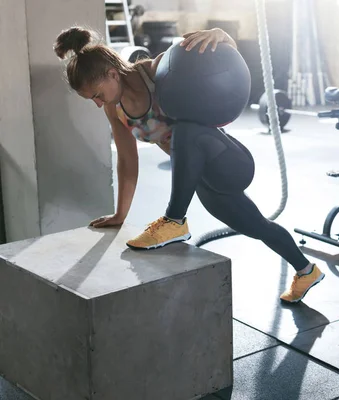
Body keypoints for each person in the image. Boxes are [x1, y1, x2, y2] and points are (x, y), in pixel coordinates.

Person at [53, 26, 324, 303]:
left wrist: (223, 37)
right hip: (202, 180)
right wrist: (120, 215)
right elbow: (127, 160)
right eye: (92, 100)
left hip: (229, 162)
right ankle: (306, 270)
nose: (98, 104)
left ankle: (174, 220)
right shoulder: (116, 108)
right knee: (257, 226)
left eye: (97, 95)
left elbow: (221, 70)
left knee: (186, 130)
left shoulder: (158, 73)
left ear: (112, 74)